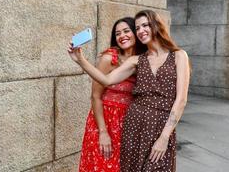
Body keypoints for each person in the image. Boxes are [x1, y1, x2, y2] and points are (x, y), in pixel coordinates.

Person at [68, 10, 190, 172]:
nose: (141, 30)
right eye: (138, 27)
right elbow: (106, 80)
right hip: (134, 125)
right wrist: (80, 60)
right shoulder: (137, 60)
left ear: (156, 25)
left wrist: (164, 136)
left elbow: (180, 99)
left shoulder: (179, 56)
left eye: (145, 25)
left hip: (161, 126)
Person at [77, 17, 147, 172]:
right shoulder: (109, 58)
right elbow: (95, 96)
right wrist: (103, 132)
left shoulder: (143, 60)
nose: (122, 36)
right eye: (117, 33)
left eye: (127, 31)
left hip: (129, 123)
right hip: (106, 121)